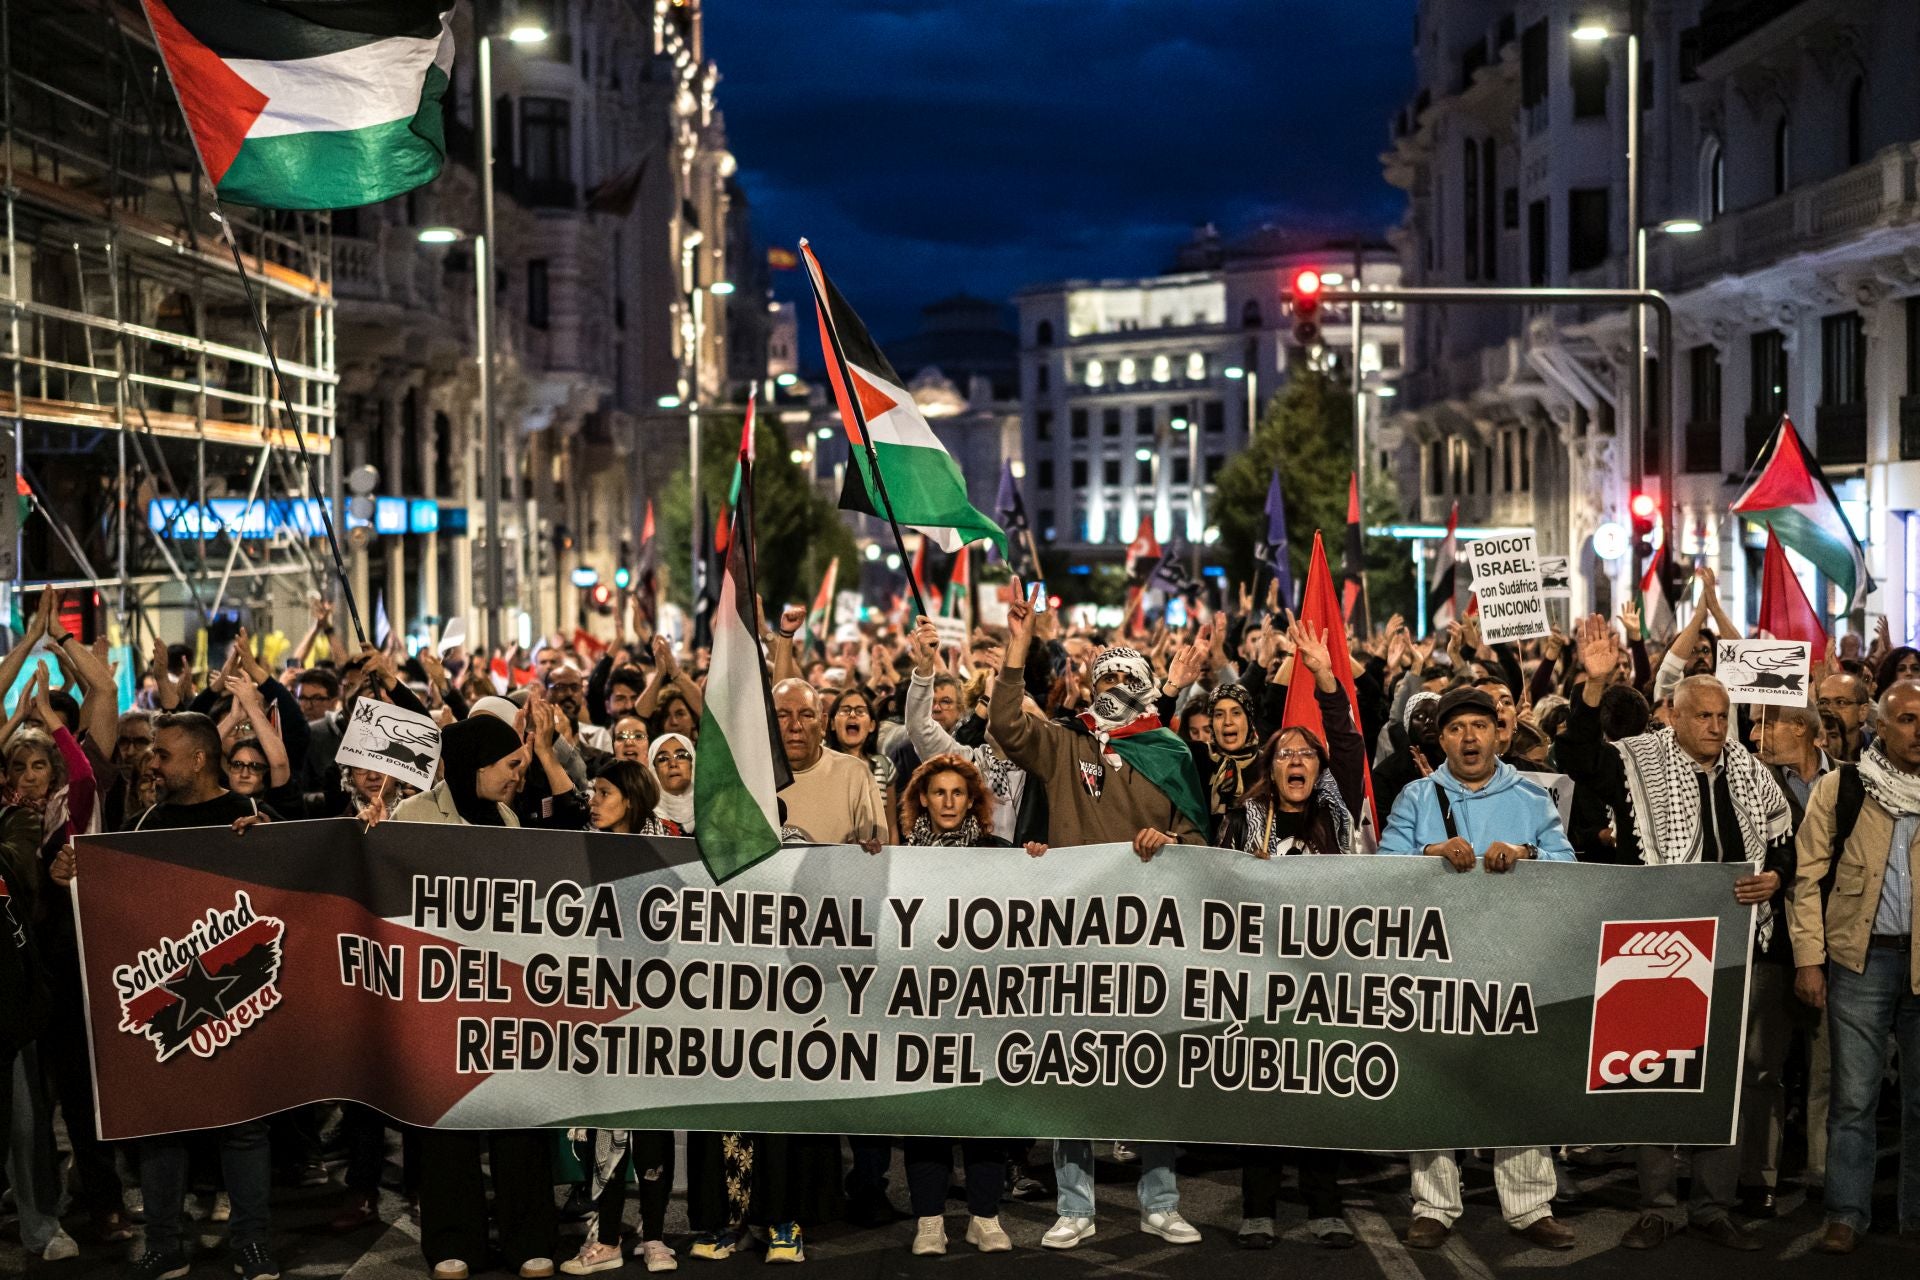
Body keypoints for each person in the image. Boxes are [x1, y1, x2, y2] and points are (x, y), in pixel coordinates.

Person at [1556, 618, 1789, 1251]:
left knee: (1726, 1077)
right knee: (1656, 1073)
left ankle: (1714, 1203)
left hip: (1739, 945)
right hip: (1659, 945)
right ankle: (1658, 1204)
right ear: (1676, 718)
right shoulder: (1636, 762)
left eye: (1723, 716)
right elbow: (1575, 758)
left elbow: (1782, 841)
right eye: (1705, 716)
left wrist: (1774, 878)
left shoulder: (1749, 769)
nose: (1717, 726)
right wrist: (1594, 686)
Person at [989, 580, 1206, 1250]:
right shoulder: (1064, 744)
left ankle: (1160, 1199)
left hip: (1150, 942)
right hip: (1076, 938)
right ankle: (1075, 1205)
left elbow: (1200, 842)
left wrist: (1169, 843)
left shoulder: (1172, 753)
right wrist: (1018, 645)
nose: (1110, 684)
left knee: (1153, 1068)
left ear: (1145, 686)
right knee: (1072, 1069)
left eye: (1123, 676)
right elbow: (1003, 725)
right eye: (1101, 675)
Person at [51, 711, 279, 1280]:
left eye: (163, 754)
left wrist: (268, 847)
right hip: (172, 1002)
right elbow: (109, 902)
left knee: (244, 1127)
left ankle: (251, 1243)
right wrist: (70, 875)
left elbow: (293, 884)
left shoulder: (251, 817)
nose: (150, 763)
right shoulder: (144, 822)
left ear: (199, 760)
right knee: (161, 1126)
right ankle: (163, 1243)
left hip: (239, 1002)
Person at [1377, 685, 1575, 1251]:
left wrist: (1526, 854)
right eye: (1457, 728)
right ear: (1441, 739)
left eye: (1479, 726)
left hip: (1516, 962)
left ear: (1498, 733)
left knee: (1518, 1079)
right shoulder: (1417, 797)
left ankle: (1530, 1204)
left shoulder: (1533, 798)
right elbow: (1383, 871)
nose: (1469, 737)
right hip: (1438, 967)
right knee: (1437, 1080)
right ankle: (1434, 1204)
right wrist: (1429, 856)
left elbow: (1569, 867)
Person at [391, 715, 557, 1280]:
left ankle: (529, 1239)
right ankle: (452, 1242)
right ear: (475, 766)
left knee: (517, 1118)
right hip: (439, 1002)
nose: (518, 776)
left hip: (504, 996)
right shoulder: (410, 818)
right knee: (447, 1127)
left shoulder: (507, 818)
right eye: (511, 765)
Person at [1217, 621, 1363, 1251]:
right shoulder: (1245, 818)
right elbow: (1214, 888)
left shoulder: (1334, 812)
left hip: (1325, 978)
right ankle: (1259, 1207)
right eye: (1284, 754)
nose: (1296, 761)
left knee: (1320, 1089)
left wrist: (1327, 679)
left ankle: (1324, 1204)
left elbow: (1351, 747)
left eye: (1306, 754)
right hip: (1258, 980)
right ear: (1269, 769)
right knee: (1262, 1094)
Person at [1789, 680, 1920, 1255]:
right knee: (1854, 1098)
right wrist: (1810, 961)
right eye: (1909, 719)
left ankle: (1913, 1216)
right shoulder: (1843, 788)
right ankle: (1845, 1213)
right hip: (1857, 963)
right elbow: (1806, 879)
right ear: (1880, 724)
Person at [893, 754, 1030, 1255]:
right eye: (938, 793)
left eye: (957, 793)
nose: (948, 802)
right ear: (922, 800)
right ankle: (930, 1221)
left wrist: (1039, 864)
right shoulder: (901, 857)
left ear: (972, 799)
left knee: (983, 1111)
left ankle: (984, 1216)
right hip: (922, 1007)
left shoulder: (1002, 853)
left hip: (985, 1008)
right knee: (926, 1111)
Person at [904, 616, 1028, 842]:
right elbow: (919, 725)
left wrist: (1012, 680)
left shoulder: (1041, 766)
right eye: (992, 704)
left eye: (1007, 705)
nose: (998, 714)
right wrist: (924, 669)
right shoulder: (969, 764)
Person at [773, 679, 884, 845]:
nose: (795, 726)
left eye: (806, 715)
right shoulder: (746, 777)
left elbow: (877, 854)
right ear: (767, 722)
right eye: (782, 715)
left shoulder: (855, 775)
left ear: (823, 723)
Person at [825, 685, 897, 841]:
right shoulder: (821, 765)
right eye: (845, 710)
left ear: (871, 725)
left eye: (860, 711)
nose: (852, 715)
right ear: (831, 723)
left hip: (875, 857)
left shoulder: (884, 766)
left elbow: (890, 825)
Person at [1818, 673, 1875, 764]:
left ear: (1862, 712)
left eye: (1841, 702)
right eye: (1823, 702)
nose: (1830, 709)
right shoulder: (1811, 749)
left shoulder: (1882, 753)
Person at [649, 735, 695, 835]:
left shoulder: (712, 812)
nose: (673, 764)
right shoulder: (645, 820)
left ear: (693, 764)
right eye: (663, 759)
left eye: (681, 756)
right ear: (654, 770)